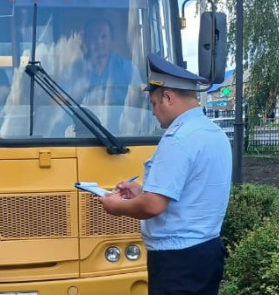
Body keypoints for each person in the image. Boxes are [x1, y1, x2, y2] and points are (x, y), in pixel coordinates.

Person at [99, 53, 232, 295]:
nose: (153, 112)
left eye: (153, 104)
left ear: (168, 97)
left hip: (176, 261)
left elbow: (152, 206)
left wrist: (116, 206)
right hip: (207, 251)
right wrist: (142, 190)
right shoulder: (214, 134)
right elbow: (192, 190)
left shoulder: (177, 139)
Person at [78, 18, 142, 106]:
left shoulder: (127, 68)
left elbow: (139, 100)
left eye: (103, 36)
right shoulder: (73, 71)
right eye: (94, 37)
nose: (98, 41)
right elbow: (60, 103)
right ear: (85, 40)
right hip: (82, 119)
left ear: (111, 39)